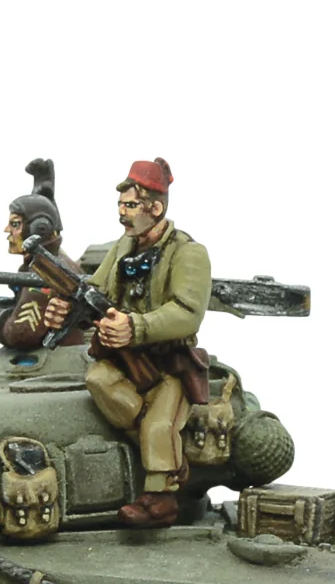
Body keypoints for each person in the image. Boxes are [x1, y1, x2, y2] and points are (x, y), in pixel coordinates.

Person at [42, 157, 211, 527]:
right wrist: (65, 309)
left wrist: (135, 326)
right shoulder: (124, 247)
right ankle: (171, 459)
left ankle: (161, 499)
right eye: (120, 205)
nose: (122, 213)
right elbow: (95, 290)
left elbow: (187, 312)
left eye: (131, 205)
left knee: (159, 423)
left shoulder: (188, 252)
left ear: (156, 208)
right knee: (99, 380)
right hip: (125, 358)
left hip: (169, 362)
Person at [0, 158, 84, 348]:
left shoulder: (44, 274)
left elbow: (22, 333)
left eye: (15, 224)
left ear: (37, 229)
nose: (7, 230)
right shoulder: (50, 259)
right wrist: (42, 189)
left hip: (57, 358)